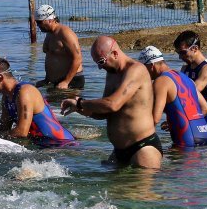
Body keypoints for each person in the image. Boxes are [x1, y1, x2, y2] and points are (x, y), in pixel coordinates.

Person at [60, 36, 162, 169]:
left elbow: (113, 104)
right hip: (119, 151)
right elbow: (105, 112)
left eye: (101, 61)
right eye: (97, 63)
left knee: (139, 189)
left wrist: (81, 103)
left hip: (143, 148)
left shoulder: (137, 70)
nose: (100, 67)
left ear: (114, 53)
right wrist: (80, 109)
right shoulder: (112, 74)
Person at [0, 58, 76, 148]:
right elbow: (4, 127)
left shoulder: (25, 92)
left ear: (0, 77)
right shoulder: (6, 97)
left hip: (62, 145)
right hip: (42, 145)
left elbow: (21, 132)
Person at [138, 46, 207, 148]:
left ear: (151, 65)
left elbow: (155, 119)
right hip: (206, 135)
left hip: (188, 140)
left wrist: (138, 142)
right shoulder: (186, 78)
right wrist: (176, 121)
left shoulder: (161, 81)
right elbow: (206, 109)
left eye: (143, 69)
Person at [174, 30, 207, 133]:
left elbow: (189, 94)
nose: (180, 57)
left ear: (195, 48)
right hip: (190, 123)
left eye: (183, 52)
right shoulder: (184, 69)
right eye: (178, 53)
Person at [33, 4, 85, 90]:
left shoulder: (65, 33)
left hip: (71, 81)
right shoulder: (49, 33)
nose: (38, 25)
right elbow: (51, 57)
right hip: (56, 82)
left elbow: (78, 58)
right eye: (36, 22)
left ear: (50, 20)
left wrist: (66, 82)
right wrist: (47, 80)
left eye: (39, 22)